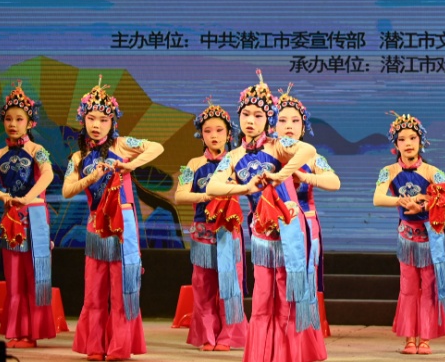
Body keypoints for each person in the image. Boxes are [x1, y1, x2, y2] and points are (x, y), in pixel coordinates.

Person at [205, 70, 326, 362]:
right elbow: (212, 187)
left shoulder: (278, 146)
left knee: (286, 296)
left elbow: (308, 149)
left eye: (258, 115)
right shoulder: (233, 156)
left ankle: (288, 354)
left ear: (268, 118)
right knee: (261, 299)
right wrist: (245, 187)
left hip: (289, 231)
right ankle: (261, 355)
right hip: (261, 236)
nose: (251, 120)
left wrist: (280, 175)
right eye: (246, 114)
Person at [62, 76, 164, 361]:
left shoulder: (122, 144)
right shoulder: (78, 157)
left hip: (123, 224)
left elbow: (156, 147)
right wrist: (90, 178)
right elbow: (67, 190)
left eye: (104, 120)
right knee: (94, 292)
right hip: (96, 225)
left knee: (122, 290)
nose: (96, 125)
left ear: (112, 122)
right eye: (91, 118)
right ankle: (95, 346)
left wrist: (129, 165)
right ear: (83, 120)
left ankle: (119, 347)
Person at [0, 81, 56, 348]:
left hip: (35, 216)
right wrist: (3, 196)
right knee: (14, 278)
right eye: (8, 119)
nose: (13, 124)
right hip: (12, 218)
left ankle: (31, 333)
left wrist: (27, 198)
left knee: (34, 275)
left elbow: (48, 175)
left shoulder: (38, 151)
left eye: (19, 119)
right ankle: (17, 331)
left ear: (30, 123)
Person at [373, 112, 445, 355]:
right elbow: (377, 198)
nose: (408, 143)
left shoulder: (432, 171)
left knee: (429, 287)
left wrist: (425, 204)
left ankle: (426, 339)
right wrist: (402, 201)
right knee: (408, 287)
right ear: (395, 144)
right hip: (407, 237)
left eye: (412, 138)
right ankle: (410, 339)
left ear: (421, 141)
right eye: (402, 139)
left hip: (430, 237)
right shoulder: (388, 171)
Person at [174, 99, 248, 352]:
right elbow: (179, 195)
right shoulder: (192, 164)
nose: (214, 135)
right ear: (201, 135)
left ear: (229, 134)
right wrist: (209, 195)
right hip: (202, 233)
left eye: (219, 130)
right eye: (207, 131)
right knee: (203, 286)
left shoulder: (238, 161)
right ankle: (207, 335)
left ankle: (228, 335)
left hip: (228, 231)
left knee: (230, 283)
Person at [274, 85, 340, 297]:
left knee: (304, 280)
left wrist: (305, 177)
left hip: (305, 225)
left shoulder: (312, 157)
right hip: (273, 225)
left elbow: (334, 182)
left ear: (303, 128)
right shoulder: (267, 155)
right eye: (282, 120)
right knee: (276, 282)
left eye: (295, 121)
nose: (289, 126)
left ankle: (303, 318)